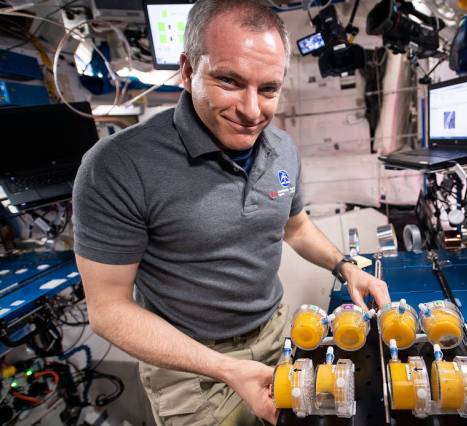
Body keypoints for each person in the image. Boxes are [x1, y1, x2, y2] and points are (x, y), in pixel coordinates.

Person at [72, 1, 390, 425]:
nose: (252, 109)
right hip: (190, 369)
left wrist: (345, 266)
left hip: (277, 336)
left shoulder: (282, 149)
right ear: (187, 71)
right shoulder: (118, 167)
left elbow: (294, 227)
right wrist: (226, 368)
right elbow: (108, 309)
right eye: (229, 80)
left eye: (269, 89)